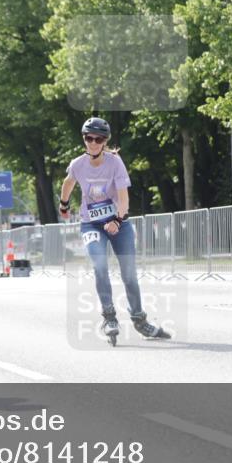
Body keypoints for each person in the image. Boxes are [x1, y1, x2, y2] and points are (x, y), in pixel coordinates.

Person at [59, 117, 170, 343]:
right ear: (84, 139)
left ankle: (140, 320)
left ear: (105, 141)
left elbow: (123, 198)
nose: (93, 143)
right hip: (91, 224)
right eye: (89, 138)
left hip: (118, 222)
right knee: (99, 265)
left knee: (129, 274)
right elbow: (68, 182)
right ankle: (109, 318)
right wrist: (64, 204)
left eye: (98, 139)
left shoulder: (115, 163)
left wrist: (118, 221)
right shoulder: (78, 164)